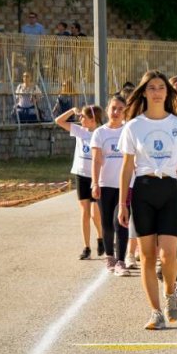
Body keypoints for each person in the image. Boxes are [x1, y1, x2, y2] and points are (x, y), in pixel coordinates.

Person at [118, 70, 177, 330]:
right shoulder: (134, 126)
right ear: (144, 92)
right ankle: (155, 312)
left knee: (169, 254)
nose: (157, 92)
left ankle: (171, 292)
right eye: (151, 88)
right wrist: (122, 203)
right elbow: (127, 167)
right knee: (148, 256)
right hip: (143, 189)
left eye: (161, 87)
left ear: (167, 92)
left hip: (170, 189)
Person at [56, 104, 105, 260]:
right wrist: (73, 110)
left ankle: (101, 236)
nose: (80, 119)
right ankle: (86, 247)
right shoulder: (79, 131)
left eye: (83, 117)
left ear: (92, 120)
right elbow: (58, 120)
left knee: (94, 213)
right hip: (81, 174)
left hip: (95, 176)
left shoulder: (101, 133)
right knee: (84, 212)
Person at [91, 95, 130, 275]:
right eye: (113, 108)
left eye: (120, 109)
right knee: (106, 223)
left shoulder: (128, 131)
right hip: (105, 184)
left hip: (125, 185)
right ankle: (109, 256)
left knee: (120, 222)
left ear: (125, 112)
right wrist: (95, 182)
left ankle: (121, 260)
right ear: (107, 110)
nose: (116, 112)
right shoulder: (100, 133)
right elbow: (96, 160)